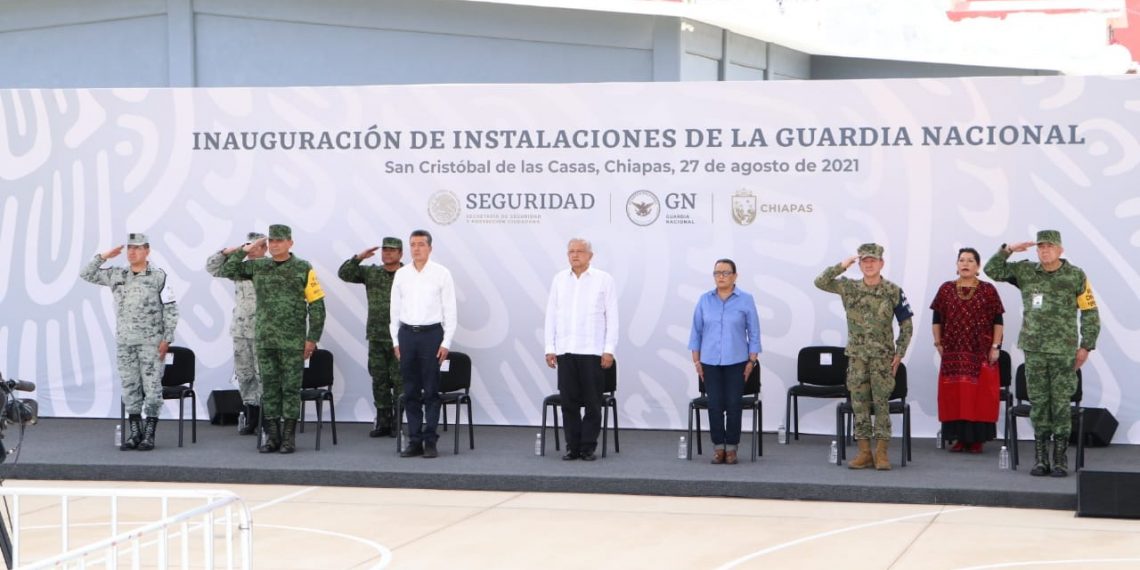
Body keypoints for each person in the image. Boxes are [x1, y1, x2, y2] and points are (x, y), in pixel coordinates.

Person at [984, 230, 1099, 477]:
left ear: (1061, 250)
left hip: (1064, 352)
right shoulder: (1026, 272)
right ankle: (1040, 459)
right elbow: (992, 271)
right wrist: (1008, 249)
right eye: (1041, 247)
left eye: (1050, 246)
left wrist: (1086, 346)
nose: (1044, 251)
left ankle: (1059, 459)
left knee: (1059, 405)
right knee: (1038, 404)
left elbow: (1090, 312)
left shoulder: (1075, 275)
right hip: (1034, 350)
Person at [220, 224, 326, 454]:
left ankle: (288, 437)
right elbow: (227, 270)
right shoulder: (259, 266)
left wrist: (312, 339)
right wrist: (247, 249)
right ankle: (272, 436)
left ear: (290, 243)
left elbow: (317, 305)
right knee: (268, 389)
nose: (275, 245)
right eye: (271, 242)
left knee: (289, 388)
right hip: (265, 340)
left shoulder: (303, 268)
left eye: (280, 240)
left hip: (292, 341)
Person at [814, 243, 913, 470]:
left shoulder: (892, 290)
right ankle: (864, 452)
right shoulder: (849, 288)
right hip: (857, 358)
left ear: (881, 263)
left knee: (881, 405)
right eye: (864, 261)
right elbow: (820, 282)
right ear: (859, 264)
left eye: (873, 260)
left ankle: (882, 453)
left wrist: (899, 353)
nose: (868, 264)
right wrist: (842, 265)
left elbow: (906, 324)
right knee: (859, 405)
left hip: (882, 358)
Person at [80, 232, 179, 451]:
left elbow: (171, 309)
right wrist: (103, 256)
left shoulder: (158, 277)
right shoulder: (118, 275)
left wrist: (167, 339)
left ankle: (149, 435)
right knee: (130, 388)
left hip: (151, 343)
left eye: (137, 248)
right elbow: (86, 274)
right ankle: (135, 433)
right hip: (126, 342)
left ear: (147, 251)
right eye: (129, 248)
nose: (132, 252)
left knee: (152, 390)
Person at [544, 238, 619, 462]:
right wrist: (550, 347)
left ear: (590, 255)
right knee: (569, 403)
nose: (575, 255)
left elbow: (612, 317)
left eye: (579, 251)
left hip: (593, 351)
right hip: (566, 350)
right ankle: (572, 447)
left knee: (593, 404)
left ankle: (588, 447)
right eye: (571, 252)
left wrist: (609, 350)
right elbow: (551, 315)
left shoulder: (604, 280)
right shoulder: (559, 279)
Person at [930, 248, 1005, 453]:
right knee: (956, 393)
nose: (965, 264)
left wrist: (995, 347)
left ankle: (977, 439)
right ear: (956, 265)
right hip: (953, 351)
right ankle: (960, 438)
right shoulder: (945, 289)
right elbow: (936, 319)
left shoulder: (988, 290)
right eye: (961, 260)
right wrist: (938, 344)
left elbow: (998, 321)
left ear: (978, 266)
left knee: (978, 395)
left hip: (980, 351)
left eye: (970, 260)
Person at [390, 229, 457, 459]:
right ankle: (414, 440)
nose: (416, 248)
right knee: (410, 391)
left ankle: (430, 440)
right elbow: (394, 311)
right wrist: (396, 341)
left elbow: (450, 310)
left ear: (430, 247)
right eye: (412, 244)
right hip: (407, 334)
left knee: (431, 390)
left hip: (431, 335)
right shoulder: (402, 274)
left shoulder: (441, 274)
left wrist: (446, 341)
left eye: (420, 244)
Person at [688, 259, 761, 465]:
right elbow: (697, 330)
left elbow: (753, 331)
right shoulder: (705, 300)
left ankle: (732, 448)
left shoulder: (746, 300)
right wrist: (696, 358)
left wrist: (752, 360)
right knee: (715, 405)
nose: (721, 276)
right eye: (717, 272)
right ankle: (718, 447)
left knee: (733, 404)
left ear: (735, 276)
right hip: (709, 361)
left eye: (726, 272)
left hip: (737, 361)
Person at [338, 236, 404, 438]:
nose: (387, 253)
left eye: (392, 250)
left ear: (401, 254)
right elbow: (344, 273)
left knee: (400, 381)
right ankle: (383, 421)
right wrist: (359, 257)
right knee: (379, 380)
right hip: (376, 336)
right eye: (385, 250)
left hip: (401, 338)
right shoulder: (372, 273)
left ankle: (397, 423)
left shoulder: (408, 275)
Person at [206, 231, 267, 435]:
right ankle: (251, 416)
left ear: (264, 248)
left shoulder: (270, 267)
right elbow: (212, 268)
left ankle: (265, 420)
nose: (250, 249)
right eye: (247, 245)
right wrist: (227, 252)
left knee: (263, 376)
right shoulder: (240, 267)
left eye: (255, 245)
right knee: (244, 374)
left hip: (263, 330)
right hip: (241, 330)